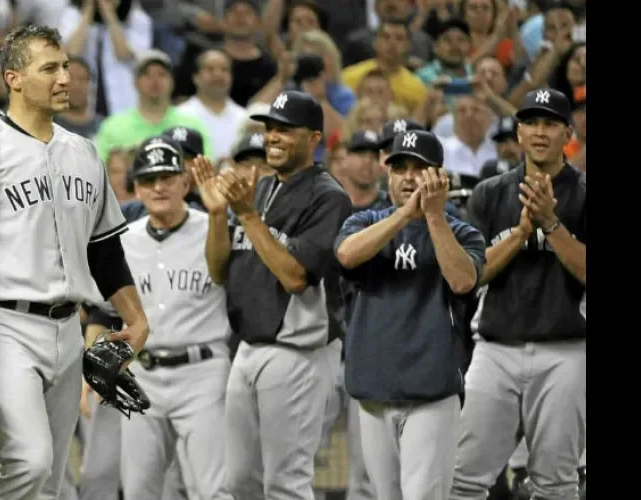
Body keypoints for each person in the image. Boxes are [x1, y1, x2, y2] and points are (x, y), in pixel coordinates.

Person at [0, 25, 149, 499]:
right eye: (50, 68)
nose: (66, 77)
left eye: (66, 66)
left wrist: (135, 318)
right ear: (14, 78)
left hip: (67, 329)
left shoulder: (84, 152)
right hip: (2, 325)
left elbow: (104, 249)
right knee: (29, 459)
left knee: (47, 475)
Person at [192, 90, 352, 499]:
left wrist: (246, 215)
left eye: (285, 129)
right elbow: (218, 270)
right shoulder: (262, 190)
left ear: (314, 137)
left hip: (297, 354)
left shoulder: (328, 197)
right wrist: (216, 215)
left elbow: (296, 277)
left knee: (285, 483)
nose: (274, 137)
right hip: (248, 349)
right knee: (240, 481)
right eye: (270, 129)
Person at [333, 129, 486, 500]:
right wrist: (404, 215)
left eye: (419, 168)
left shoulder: (463, 232)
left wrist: (433, 217)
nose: (408, 177)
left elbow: (463, 280)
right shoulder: (365, 221)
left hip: (431, 391)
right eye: (400, 167)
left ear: (439, 176)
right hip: (373, 388)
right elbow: (346, 256)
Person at [451, 88, 586, 500]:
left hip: (566, 351)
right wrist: (522, 234)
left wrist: (551, 222)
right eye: (530, 123)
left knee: (555, 483)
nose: (539, 132)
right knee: (461, 478)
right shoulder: (490, 193)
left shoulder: (583, 194)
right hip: (495, 349)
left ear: (568, 132)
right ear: (519, 132)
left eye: (549, 123)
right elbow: (472, 274)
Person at [110, 136, 234, 500]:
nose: (159, 186)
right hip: (143, 374)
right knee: (138, 491)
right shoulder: (125, 240)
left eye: (167, 176)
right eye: (149, 180)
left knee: (215, 490)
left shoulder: (213, 227)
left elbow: (223, 270)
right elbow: (102, 309)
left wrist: (218, 216)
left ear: (186, 182)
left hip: (203, 373)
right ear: (136, 188)